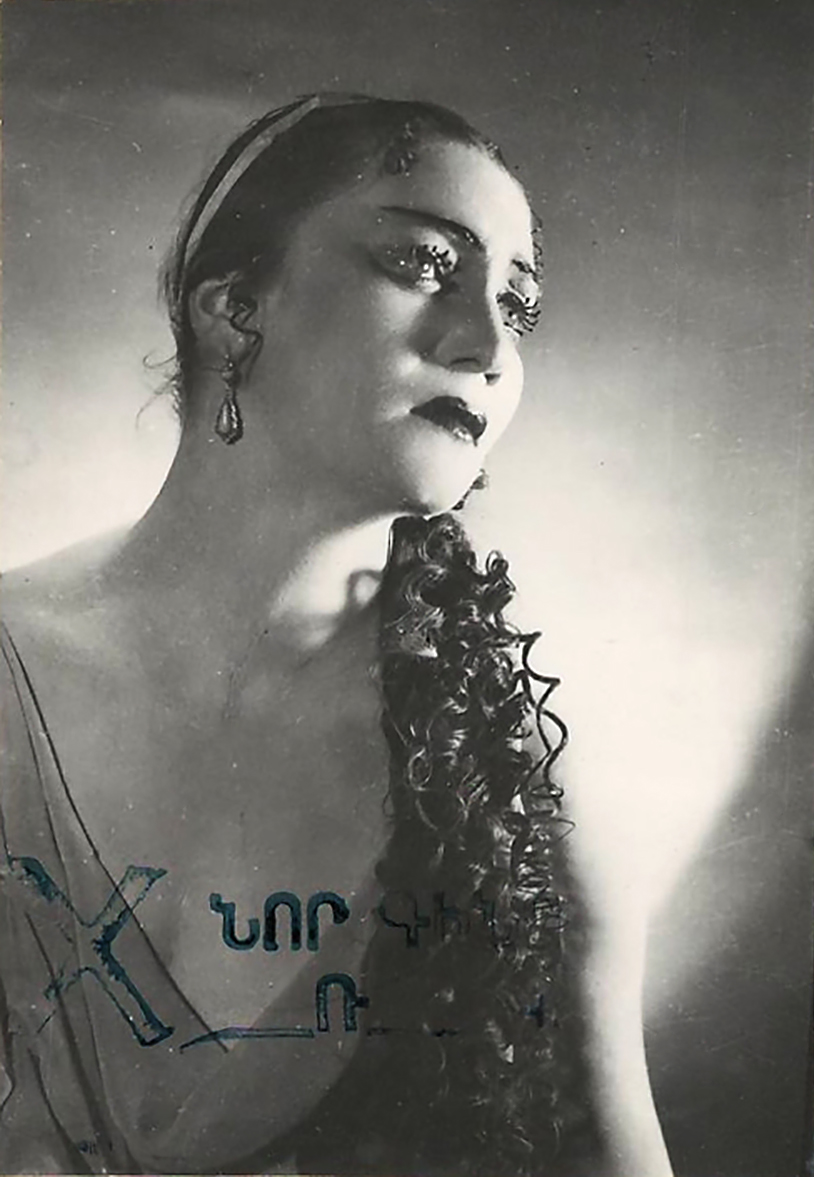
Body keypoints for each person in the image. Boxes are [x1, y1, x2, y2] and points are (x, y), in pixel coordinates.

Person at [0, 93, 671, 1175]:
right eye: (423, 264)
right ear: (234, 309)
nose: (487, 345)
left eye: (517, 304)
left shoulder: (515, 766)